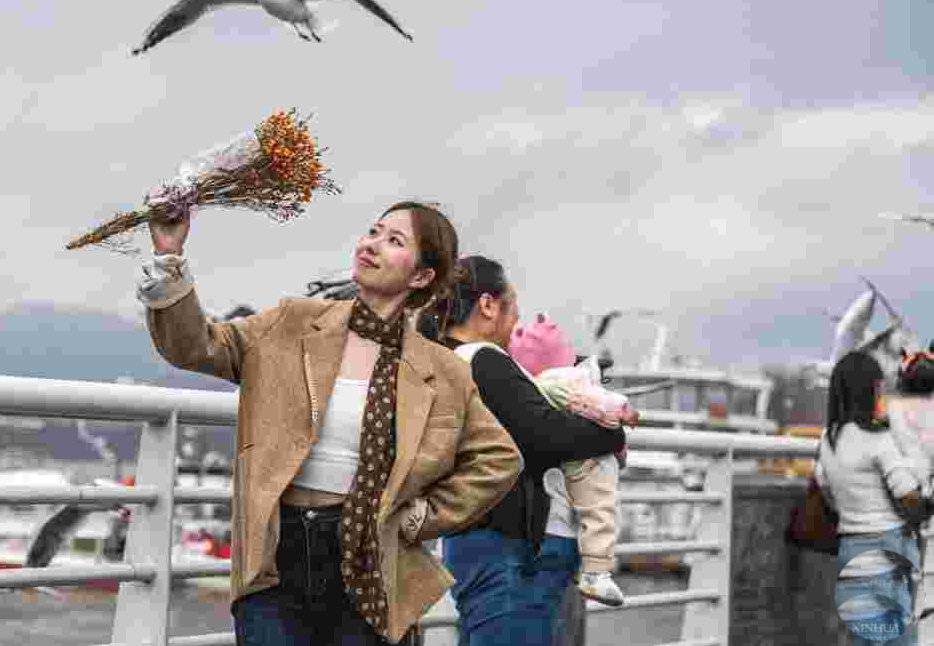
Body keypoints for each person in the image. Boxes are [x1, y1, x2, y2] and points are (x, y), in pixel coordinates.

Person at [137, 201, 523, 646]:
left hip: (372, 564)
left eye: (394, 241)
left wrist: (423, 517)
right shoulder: (291, 323)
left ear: (420, 277)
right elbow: (196, 346)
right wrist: (169, 256)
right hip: (275, 560)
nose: (372, 244)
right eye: (374, 231)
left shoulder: (443, 372)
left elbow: (499, 458)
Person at [417, 256, 627, 646]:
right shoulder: (482, 361)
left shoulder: (441, 361)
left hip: (476, 539)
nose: (515, 325)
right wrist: (613, 433)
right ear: (487, 305)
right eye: (513, 308)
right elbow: (546, 436)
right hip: (507, 546)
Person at [507, 312, 638, 607]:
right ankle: (596, 573)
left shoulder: (536, 384)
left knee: (588, 514)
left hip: (566, 470)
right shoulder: (565, 379)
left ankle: (589, 569)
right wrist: (624, 409)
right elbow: (594, 402)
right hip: (587, 466)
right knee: (601, 511)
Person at [816, 352, 928, 645]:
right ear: (870, 389)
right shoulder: (879, 439)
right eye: (880, 385)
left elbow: (825, 488)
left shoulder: (828, 440)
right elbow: (909, 499)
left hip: (851, 551)